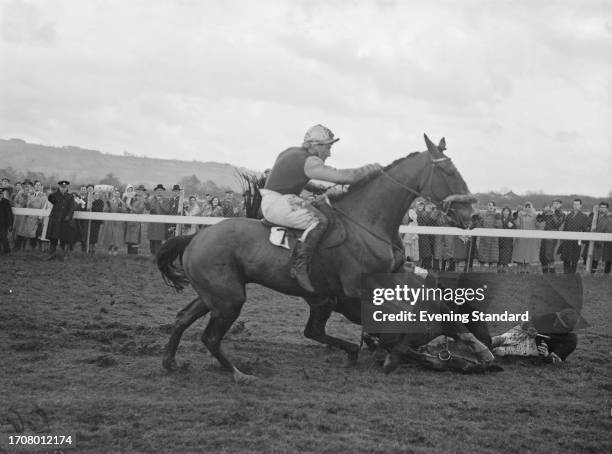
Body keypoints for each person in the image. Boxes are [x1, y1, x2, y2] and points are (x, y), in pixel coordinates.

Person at [261, 124, 381, 292]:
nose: (330, 153)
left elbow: (290, 177)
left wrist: (316, 188)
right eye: (328, 147)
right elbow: (342, 176)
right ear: (316, 146)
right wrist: (372, 168)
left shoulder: (291, 152)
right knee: (320, 220)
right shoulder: (310, 161)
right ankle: (299, 266)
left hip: (276, 201)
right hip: (279, 203)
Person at [492, 308, 580, 363]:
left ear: (568, 329)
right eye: (557, 320)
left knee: (500, 351)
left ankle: (487, 352)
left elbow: (555, 359)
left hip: (533, 347)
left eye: (560, 325)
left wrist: (546, 354)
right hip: (524, 333)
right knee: (497, 340)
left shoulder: (570, 340)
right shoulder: (550, 316)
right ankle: (484, 345)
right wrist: (530, 327)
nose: (556, 324)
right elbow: (527, 321)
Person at [558, 199, 590, 274]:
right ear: (572, 205)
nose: (576, 206)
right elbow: (565, 228)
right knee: (566, 259)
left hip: (576, 242)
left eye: (577, 204)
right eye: (574, 204)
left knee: (574, 260)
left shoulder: (584, 217)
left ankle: (572, 276)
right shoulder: (568, 216)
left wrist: (583, 240)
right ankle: (566, 275)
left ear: (581, 205)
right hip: (567, 241)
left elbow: (585, 230)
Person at [46, 180, 77, 257]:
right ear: (59, 187)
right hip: (55, 220)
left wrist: (68, 216)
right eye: (61, 187)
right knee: (53, 239)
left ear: (67, 188)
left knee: (64, 238)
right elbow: (51, 199)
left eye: (65, 187)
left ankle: (63, 255)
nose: (63, 189)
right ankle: (51, 254)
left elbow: (71, 208)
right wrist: (49, 194)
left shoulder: (70, 196)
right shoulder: (55, 195)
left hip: (64, 221)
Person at [537, 199, 565, 273]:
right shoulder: (548, 212)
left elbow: (557, 224)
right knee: (542, 255)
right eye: (553, 203)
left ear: (560, 205)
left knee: (548, 255)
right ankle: (545, 272)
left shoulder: (561, 213)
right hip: (545, 234)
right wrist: (543, 212)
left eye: (556, 203)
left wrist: (552, 214)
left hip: (553, 235)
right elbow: (539, 220)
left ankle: (552, 272)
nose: (554, 205)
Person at [511, 202, 540, 273]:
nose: (527, 208)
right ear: (524, 207)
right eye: (526, 207)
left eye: (529, 207)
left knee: (528, 254)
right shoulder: (520, 215)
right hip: (521, 238)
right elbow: (517, 225)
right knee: (519, 254)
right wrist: (516, 217)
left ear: (531, 207)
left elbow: (538, 225)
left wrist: (539, 220)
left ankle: (527, 269)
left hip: (530, 238)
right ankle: (519, 268)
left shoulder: (534, 215)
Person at [145, 184, 169, 254]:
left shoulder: (166, 200)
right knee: (151, 242)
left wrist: (161, 203)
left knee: (158, 243)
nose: (159, 191)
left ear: (163, 191)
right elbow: (148, 208)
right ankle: (152, 258)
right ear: (156, 191)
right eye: (158, 190)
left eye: (160, 190)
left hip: (160, 225)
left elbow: (167, 210)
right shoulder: (152, 199)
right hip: (152, 224)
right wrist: (146, 202)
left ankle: (157, 258)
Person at [477, 201, 500, 269]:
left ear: (494, 207)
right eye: (489, 205)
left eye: (492, 205)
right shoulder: (483, 215)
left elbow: (499, 226)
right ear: (487, 206)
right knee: (484, 252)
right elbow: (480, 225)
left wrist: (498, 219)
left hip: (493, 237)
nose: (490, 206)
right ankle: (484, 263)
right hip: (484, 237)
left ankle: (492, 264)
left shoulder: (497, 215)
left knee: (493, 252)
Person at [591, 201, 612, 274]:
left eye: (604, 207)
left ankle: (606, 275)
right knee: (593, 258)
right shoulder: (594, 216)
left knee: (607, 259)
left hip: (605, 243)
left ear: (607, 209)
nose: (602, 209)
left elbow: (609, 230)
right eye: (601, 207)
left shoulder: (609, 219)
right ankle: (591, 274)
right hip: (594, 241)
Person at [497, 206, 515, 272]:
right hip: (500, 239)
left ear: (509, 212)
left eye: (507, 211)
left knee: (507, 253)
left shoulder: (511, 219)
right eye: (505, 211)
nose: (506, 212)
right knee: (500, 252)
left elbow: (514, 228)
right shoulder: (499, 218)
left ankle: (505, 266)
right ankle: (499, 266)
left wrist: (512, 226)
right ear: (503, 212)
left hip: (508, 240)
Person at [0, 184, 14, 254]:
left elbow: (9, 214)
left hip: (3, 223)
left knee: (3, 237)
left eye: (0, 193)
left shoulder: (6, 202)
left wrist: (10, 224)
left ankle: (7, 251)